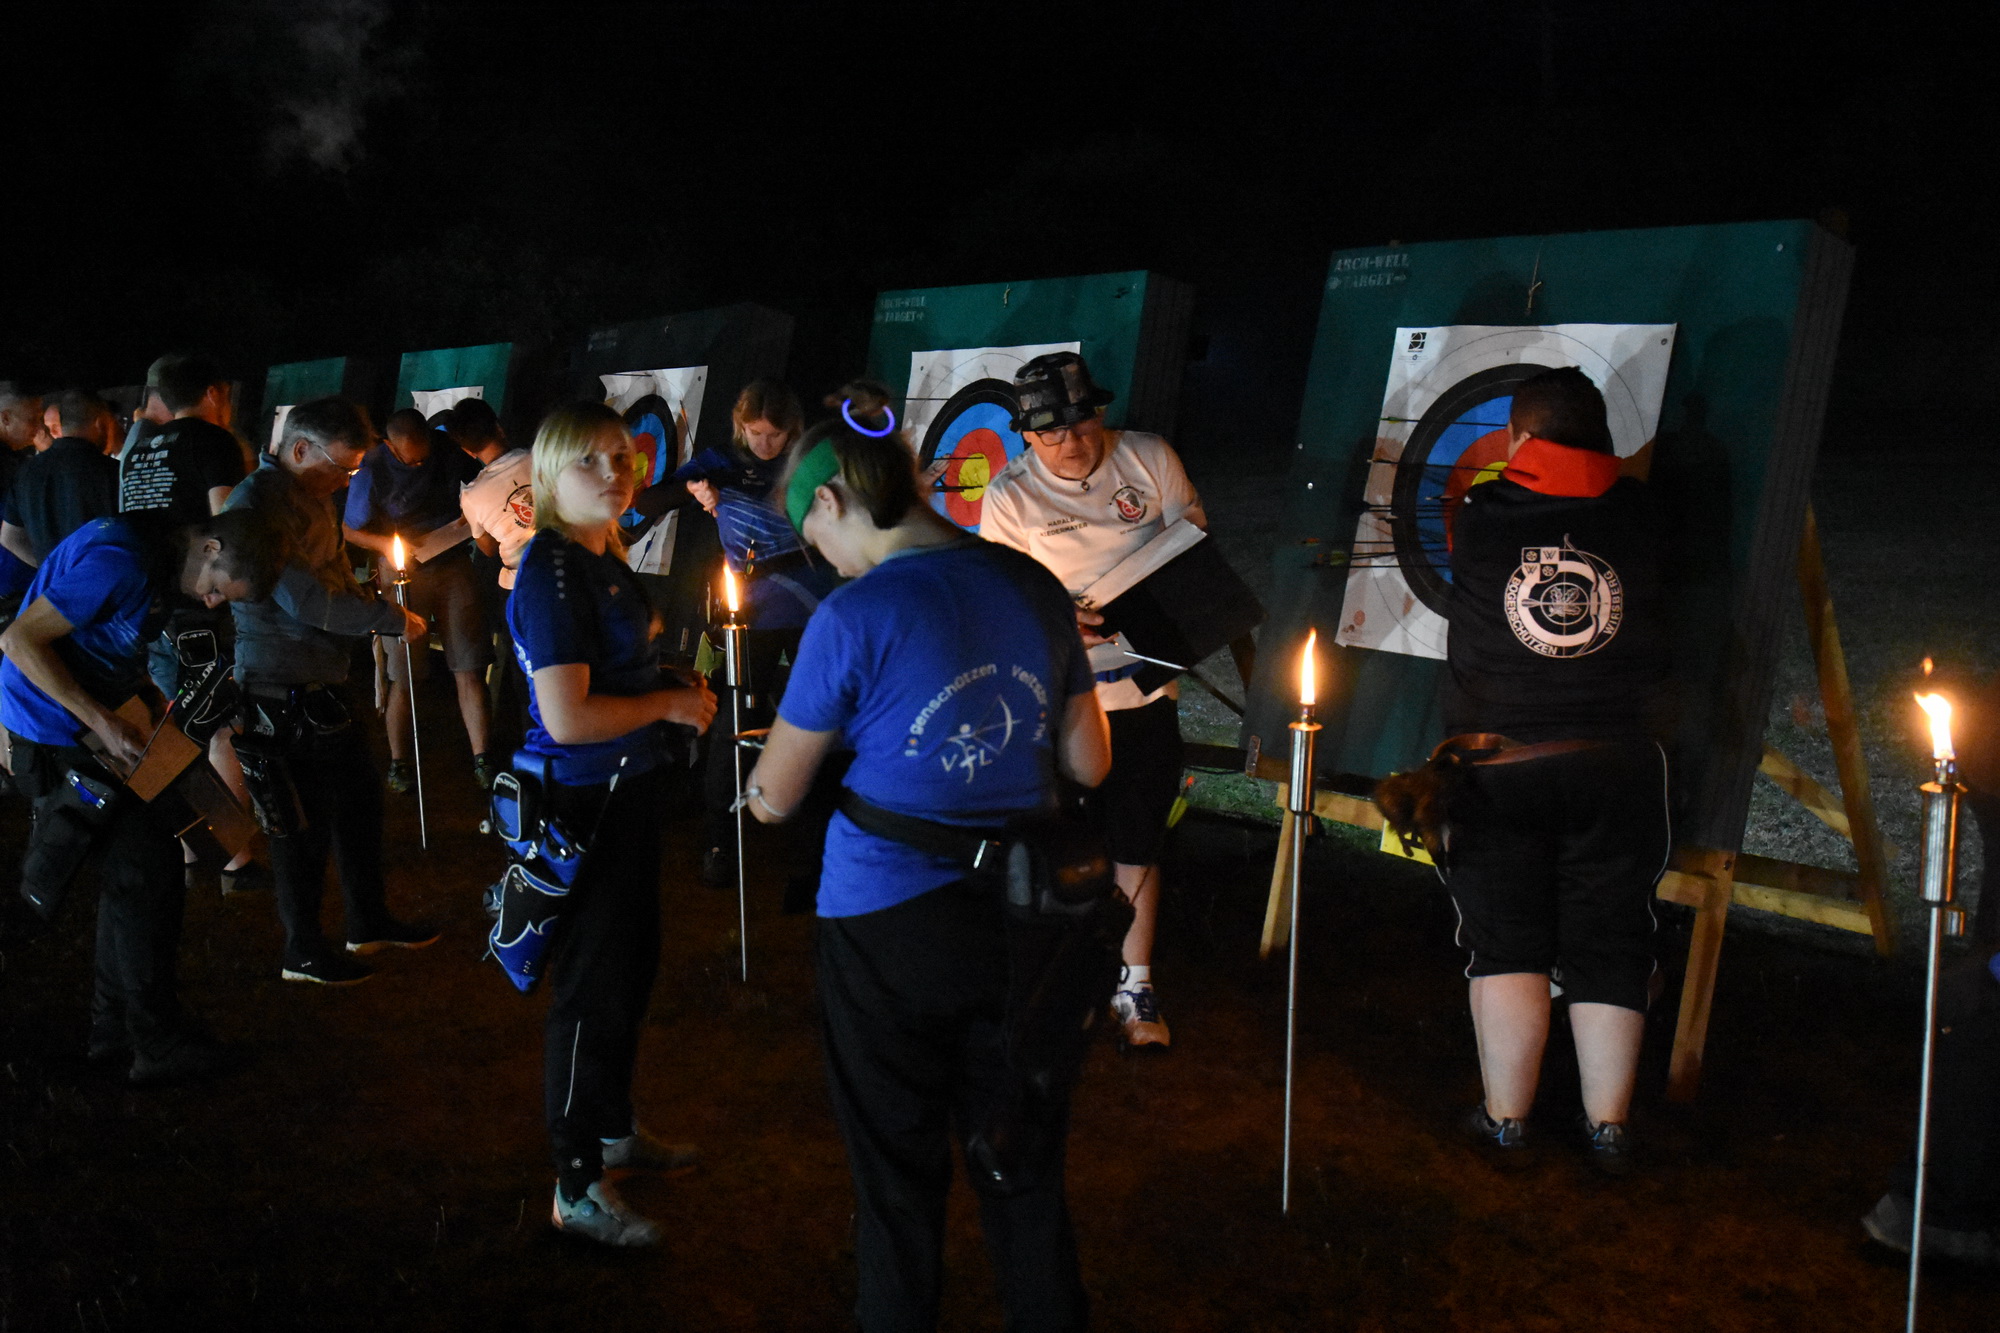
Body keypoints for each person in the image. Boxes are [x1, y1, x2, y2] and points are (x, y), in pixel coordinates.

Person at [746, 404, 1113, 1331]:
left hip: (885, 924)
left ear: (831, 499)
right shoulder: (1031, 583)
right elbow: (1089, 762)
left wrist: (755, 781)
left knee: (896, 1173)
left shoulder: (854, 613)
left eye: (814, 538)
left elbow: (776, 798)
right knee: (1021, 1154)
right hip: (1025, 918)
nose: (826, 560)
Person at [1432, 365, 1671, 1175]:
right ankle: (1609, 1129)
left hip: (1497, 763)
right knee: (1610, 940)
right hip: (1618, 762)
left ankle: (1507, 1121)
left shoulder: (1480, 513)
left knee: (1506, 943)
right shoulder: (1645, 513)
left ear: (1520, 438)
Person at [507, 401, 717, 1247]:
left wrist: (665, 684)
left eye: (624, 457)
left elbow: (613, 670)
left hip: (625, 791)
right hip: (583, 799)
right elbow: (566, 717)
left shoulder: (602, 555)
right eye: (590, 461)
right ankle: (576, 1183)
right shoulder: (554, 571)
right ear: (549, 476)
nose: (615, 473)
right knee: (591, 989)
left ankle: (612, 1130)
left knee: (629, 969)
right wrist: (668, 704)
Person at [0, 508, 280, 1082]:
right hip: (57, 725)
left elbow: (104, 641)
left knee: (141, 873)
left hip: (95, 718)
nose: (211, 603)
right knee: (146, 873)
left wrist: (146, 699)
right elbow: (18, 640)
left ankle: (120, 1034)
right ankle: (151, 1040)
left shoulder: (152, 555)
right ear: (210, 547)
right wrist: (102, 722)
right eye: (217, 588)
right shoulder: (121, 561)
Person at [977, 351, 1205, 1050]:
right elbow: (1000, 599)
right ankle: (1064, 980)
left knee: (1138, 838)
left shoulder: (1148, 457)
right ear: (1026, 436)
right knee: (1064, 842)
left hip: (1145, 686)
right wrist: (1055, 618)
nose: (1072, 442)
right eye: (1051, 432)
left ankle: (1135, 983)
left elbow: (1195, 545)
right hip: (1066, 697)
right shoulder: (1010, 496)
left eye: (1082, 423)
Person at [226, 397, 438, 986]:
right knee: (301, 822)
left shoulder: (310, 496)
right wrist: (389, 619)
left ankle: (367, 921)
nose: (347, 481)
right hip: (280, 682)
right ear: (300, 449)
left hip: (325, 676)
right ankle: (302, 949)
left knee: (359, 803)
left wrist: (369, 598)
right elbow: (308, 599)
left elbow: (336, 575)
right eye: (342, 468)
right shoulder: (259, 507)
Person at [683, 379, 836, 885]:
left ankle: (818, 844)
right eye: (755, 433)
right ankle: (719, 839)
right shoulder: (722, 463)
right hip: (753, 612)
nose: (765, 444)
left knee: (821, 716)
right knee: (735, 719)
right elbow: (660, 494)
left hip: (813, 606)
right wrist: (698, 488)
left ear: (793, 430)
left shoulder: (810, 462)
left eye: (775, 435)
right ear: (740, 426)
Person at [343, 408, 494, 791]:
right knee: (405, 673)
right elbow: (349, 530)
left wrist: (471, 518)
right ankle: (398, 762)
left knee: (469, 666)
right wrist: (386, 545)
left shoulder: (446, 448)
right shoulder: (372, 467)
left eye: (424, 457)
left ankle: (484, 759)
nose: (420, 464)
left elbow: (481, 483)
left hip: (452, 562)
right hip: (403, 570)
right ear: (391, 447)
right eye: (411, 461)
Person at [1, 389, 122, 566]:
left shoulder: (25, 473)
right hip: (104, 578)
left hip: (50, 583)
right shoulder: (113, 471)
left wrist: (51, 568)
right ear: (100, 423)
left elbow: (10, 538)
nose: (37, 428)